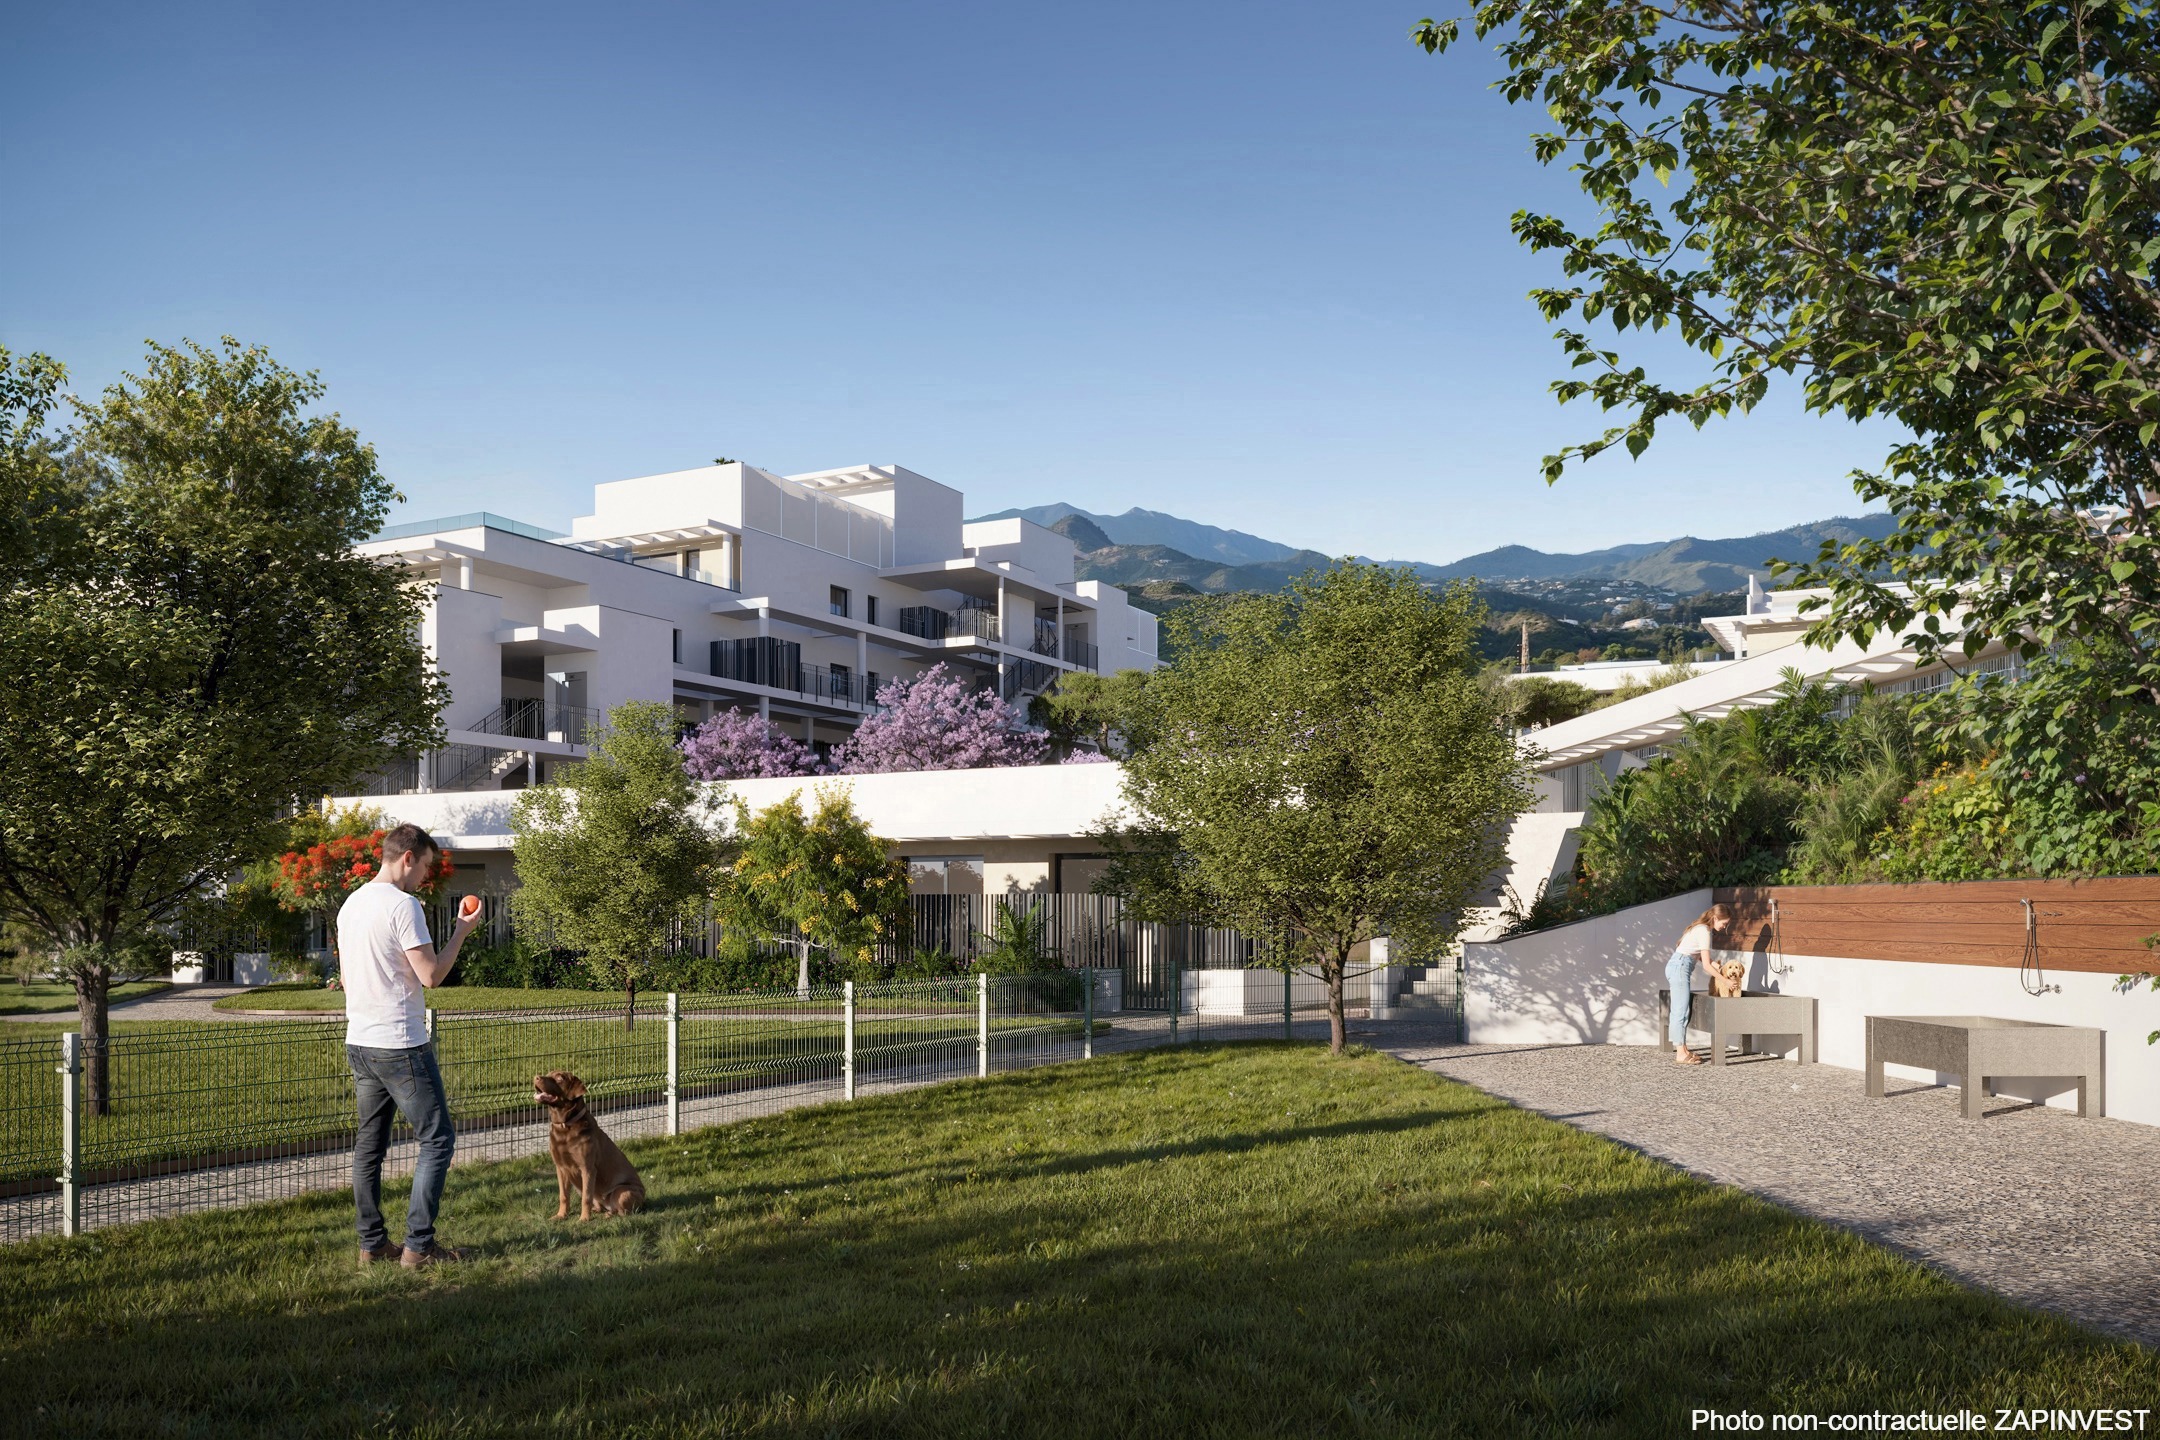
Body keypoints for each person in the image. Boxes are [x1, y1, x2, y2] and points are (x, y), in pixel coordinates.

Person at [339, 823, 481, 1268]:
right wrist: (461, 930)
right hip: (400, 1044)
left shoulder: (351, 904)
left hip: (360, 1041)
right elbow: (431, 976)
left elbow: (345, 978)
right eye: (424, 866)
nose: (425, 875)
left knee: (369, 1147)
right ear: (407, 858)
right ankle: (418, 1248)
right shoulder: (404, 906)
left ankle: (372, 1245)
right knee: (437, 1140)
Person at [1664, 902, 1732, 1067]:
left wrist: (1715, 964)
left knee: (1681, 1009)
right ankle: (1681, 1053)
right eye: (1724, 924)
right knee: (1681, 1011)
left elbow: (1688, 950)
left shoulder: (1699, 927)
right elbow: (1707, 967)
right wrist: (1725, 981)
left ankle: (1684, 1050)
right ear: (1715, 918)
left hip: (1677, 965)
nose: (1725, 927)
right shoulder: (1704, 932)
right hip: (1680, 968)